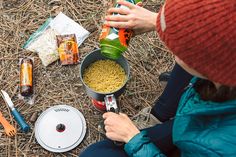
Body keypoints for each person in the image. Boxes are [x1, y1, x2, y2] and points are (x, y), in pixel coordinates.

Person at [80, 0, 236, 156]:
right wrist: (158, 21)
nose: (168, 45)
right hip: (196, 119)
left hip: (198, 137)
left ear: (207, 64)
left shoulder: (217, 146)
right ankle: (157, 116)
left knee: (95, 153)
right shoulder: (224, 66)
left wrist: (133, 138)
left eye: (180, 48)